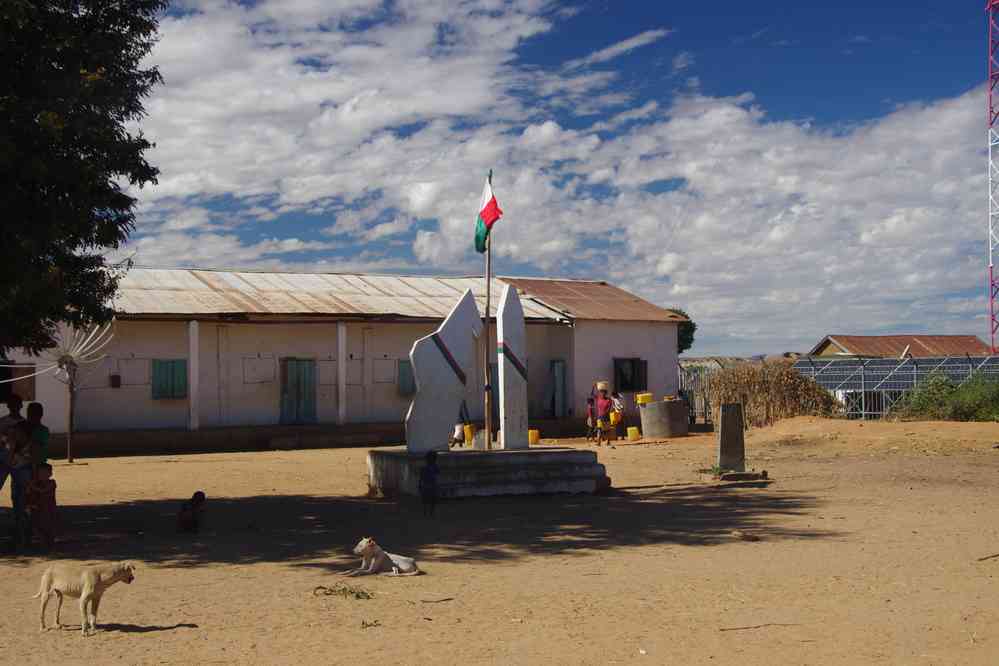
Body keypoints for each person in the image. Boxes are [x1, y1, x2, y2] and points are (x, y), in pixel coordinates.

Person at [26, 463, 57, 550]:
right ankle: (42, 542)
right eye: (40, 473)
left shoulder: (52, 483)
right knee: (37, 526)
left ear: (50, 474)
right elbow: (29, 495)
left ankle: (50, 543)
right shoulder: (36, 484)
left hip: (49, 509)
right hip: (38, 509)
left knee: (49, 526)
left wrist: (32, 486)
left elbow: (43, 491)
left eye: (45, 473)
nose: (42, 475)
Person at [0, 394, 25, 497]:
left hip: (18, 461)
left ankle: (18, 512)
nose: (14, 407)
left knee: (18, 491)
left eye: (16, 404)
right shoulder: (2, 422)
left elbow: (25, 443)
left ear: (21, 406)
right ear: (8, 406)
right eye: (12, 404)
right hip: (2, 460)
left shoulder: (25, 423)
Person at [418, 451, 440, 517]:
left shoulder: (424, 468)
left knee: (426, 500)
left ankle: (426, 512)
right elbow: (437, 475)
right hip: (431, 485)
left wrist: (419, 485)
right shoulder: (434, 467)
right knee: (432, 500)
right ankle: (430, 512)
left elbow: (421, 478)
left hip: (427, 485)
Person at [593, 381, 614, 447]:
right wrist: (594, 387)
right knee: (599, 429)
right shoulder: (598, 398)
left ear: (606, 393)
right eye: (601, 392)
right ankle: (598, 442)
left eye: (604, 392)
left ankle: (608, 441)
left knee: (607, 430)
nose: (602, 394)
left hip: (606, 417)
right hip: (600, 417)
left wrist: (605, 414)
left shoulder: (609, 400)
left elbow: (609, 409)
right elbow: (592, 394)